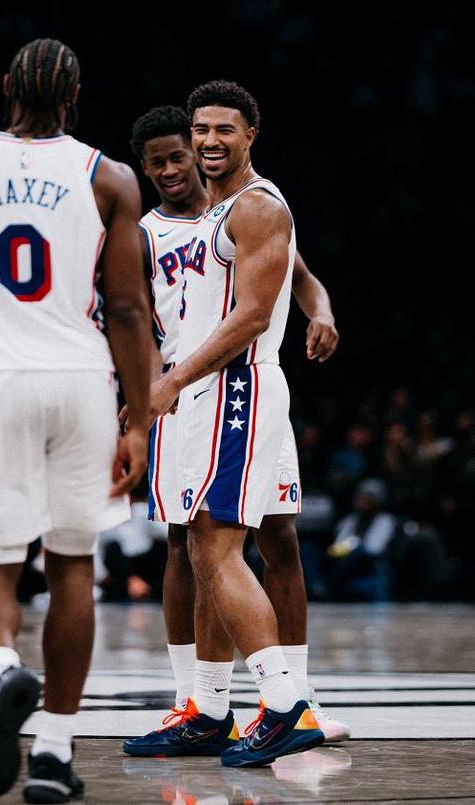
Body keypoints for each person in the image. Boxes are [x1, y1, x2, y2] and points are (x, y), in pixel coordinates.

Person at [0, 38, 151, 803]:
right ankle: (53, 752)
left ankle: (1, 673)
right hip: (84, 380)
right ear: (76, 94)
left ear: (6, 87)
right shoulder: (110, 177)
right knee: (72, 566)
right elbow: (127, 308)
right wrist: (138, 419)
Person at [123, 105, 348, 756]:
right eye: (195, 135)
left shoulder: (254, 207)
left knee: (247, 543)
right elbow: (138, 319)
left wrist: (321, 310)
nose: (183, 159)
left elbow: (265, 304)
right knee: (196, 546)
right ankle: (206, 704)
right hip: (192, 391)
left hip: (231, 386)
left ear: (246, 136)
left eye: (196, 143)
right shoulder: (170, 227)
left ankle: (289, 701)